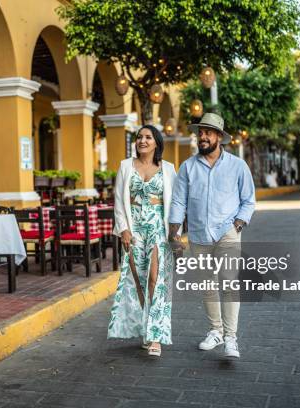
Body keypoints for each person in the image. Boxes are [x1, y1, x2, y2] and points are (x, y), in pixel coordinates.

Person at [168, 112, 255, 359]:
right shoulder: (187, 167)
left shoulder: (238, 165)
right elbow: (178, 201)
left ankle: (230, 338)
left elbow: (248, 200)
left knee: (228, 284)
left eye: (207, 133)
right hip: (198, 235)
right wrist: (174, 233)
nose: (202, 137)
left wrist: (238, 223)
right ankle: (215, 331)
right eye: (200, 133)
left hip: (227, 232)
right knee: (207, 285)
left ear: (219, 137)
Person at [108, 125, 177, 357]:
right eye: (139, 137)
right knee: (137, 280)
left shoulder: (168, 169)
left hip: (158, 229)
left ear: (157, 142)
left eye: (148, 137)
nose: (143, 141)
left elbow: (175, 205)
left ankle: (155, 335)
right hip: (134, 229)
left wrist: (175, 233)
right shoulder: (125, 166)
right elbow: (119, 200)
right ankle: (146, 328)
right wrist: (123, 230)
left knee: (155, 279)